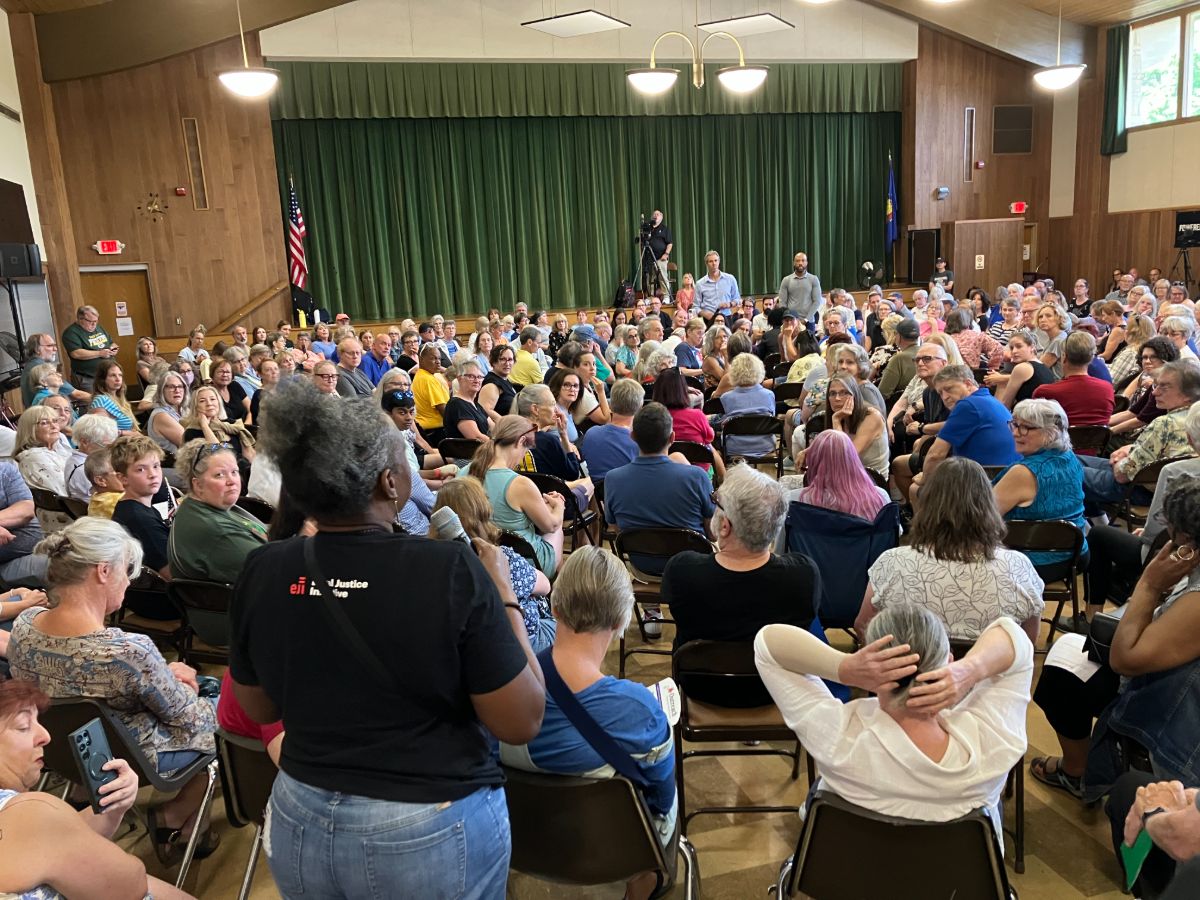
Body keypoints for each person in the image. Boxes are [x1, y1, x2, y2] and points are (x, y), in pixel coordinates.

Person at [224, 381, 543, 899]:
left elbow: (258, 706)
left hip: (300, 813)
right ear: (390, 482)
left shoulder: (264, 566)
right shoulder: (449, 569)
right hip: (424, 823)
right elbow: (521, 720)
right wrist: (503, 593)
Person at [8, 517, 219, 861]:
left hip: (62, 752)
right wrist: (194, 687)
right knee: (220, 709)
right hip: (132, 761)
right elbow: (193, 722)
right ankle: (174, 818)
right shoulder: (128, 653)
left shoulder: (24, 626)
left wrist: (161, 673)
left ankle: (81, 791)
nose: (128, 581)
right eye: (126, 570)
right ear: (103, 571)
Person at [757, 602, 1032, 844]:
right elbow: (1014, 636)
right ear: (948, 662)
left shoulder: (838, 738)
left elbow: (767, 643)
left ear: (869, 666)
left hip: (854, 882)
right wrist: (969, 670)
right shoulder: (991, 745)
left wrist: (844, 668)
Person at [499, 546, 672, 900]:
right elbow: (662, 797)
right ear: (621, 620)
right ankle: (644, 885)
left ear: (556, 606)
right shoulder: (638, 711)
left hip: (519, 841)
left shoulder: (504, 695)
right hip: (614, 849)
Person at [1031, 481, 1200, 802]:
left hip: (1180, 718)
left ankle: (1076, 772)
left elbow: (1125, 660)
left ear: (1188, 541)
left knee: (1057, 677)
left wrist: (1150, 585)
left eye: (1174, 533)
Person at [0, 680, 198, 899]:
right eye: (23, 727)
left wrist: (113, 807)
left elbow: (59, 843)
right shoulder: (34, 814)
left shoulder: (38, 824)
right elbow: (131, 885)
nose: (45, 736)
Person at [859, 457, 1043, 643]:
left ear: (927, 503)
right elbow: (1028, 641)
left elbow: (863, 626)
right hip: (987, 671)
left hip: (912, 669)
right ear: (988, 506)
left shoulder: (892, 562)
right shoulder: (1017, 566)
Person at [664, 461, 817, 665]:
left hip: (700, 681)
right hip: (773, 687)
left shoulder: (682, 571)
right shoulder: (804, 576)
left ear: (725, 526)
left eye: (715, 501)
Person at [431, 478, 555, 654]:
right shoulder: (500, 559)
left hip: (465, 649)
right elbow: (545, 586)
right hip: (522, 644)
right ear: (484, 514)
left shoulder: (434, 563)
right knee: (569, 634)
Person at [1081, 361, 1200, 515]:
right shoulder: (1194, 419)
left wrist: (1121, 460)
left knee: (1064, 469)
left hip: (1141, 492)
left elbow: (1121, 475)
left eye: (1164, 387)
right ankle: (1096, 522)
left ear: (1187, 395)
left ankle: (1082, 528)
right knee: (1073, 460)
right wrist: (1130, 450)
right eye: (1156, 385)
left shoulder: (1165, 423)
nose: (1155, 392)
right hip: (1171, 492)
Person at [604, 402, 716, 566]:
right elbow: (713, 533)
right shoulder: (697, 477)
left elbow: (615, 528)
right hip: (691, 565)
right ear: (672, 438)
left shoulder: (612, 479)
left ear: (632, 436)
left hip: (641, 564)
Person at [470, 415, 566, 577]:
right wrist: (559, 507)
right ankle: (554, 591)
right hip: (523, 563)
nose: (523, 458)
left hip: (479, 556)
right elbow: (551, 525)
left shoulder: (464, 473)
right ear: (521, 441)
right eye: (526, 450)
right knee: (557, 531)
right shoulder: (519, 484)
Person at [168, 439, 267, 582]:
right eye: (219, 475)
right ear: (198, 485)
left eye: (234, 472)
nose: (232, 480)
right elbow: (276, 570)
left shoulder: (193, 506)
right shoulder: (217, 531)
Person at [911, 367, 1018, 497]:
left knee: (915, 489)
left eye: (949, 389)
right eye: (940, 393)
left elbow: (936, 454)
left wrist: (925, 481)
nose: (944, 397)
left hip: (983, 482)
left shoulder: (968, 405)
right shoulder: (988, 400)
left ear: (968, 384)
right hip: (1008, 477)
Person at [514, 384, 593, 509]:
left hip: (521, 503)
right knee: (591, 481)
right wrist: (564, 436)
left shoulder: (510, 437)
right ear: (535, 409)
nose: (556, 410)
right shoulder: (547, 441)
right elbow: (573, 473)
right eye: (552, 404)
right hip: (552, 503)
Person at [799, 374, 888, 483]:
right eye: (832, 393)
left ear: (854, 395)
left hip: (871, 481)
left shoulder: (872, 417)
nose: (837, 398)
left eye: (844, 393)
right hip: (843, 477)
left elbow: (845, 458)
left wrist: (836, 421)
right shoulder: (838, 416)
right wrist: (809, 451)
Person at [110, 435, 172, 585]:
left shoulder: (132, 507)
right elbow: (172, 574)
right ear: (123, 478)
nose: (153, 474)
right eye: (141, 469)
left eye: (156, 466)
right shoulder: (140, 519)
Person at [794, 429, 890, 520]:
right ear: (854, 460)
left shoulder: (795, 501)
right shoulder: (880, 497)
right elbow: (893, 533)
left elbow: (784, 536)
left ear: (813, 461)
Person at [1031, 331, 1114, 427]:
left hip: (1060, 441)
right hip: (1099, 441)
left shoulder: (1044, 392)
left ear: (1064, 357)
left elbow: (1035, 426)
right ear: (1090, 358)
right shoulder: (1107, 389)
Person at [579, 378, 643, 484]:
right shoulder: (639, 443)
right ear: (640, 407)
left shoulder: (591, 434)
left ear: (611, 405)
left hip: (601, 496)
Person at [716, 352, 776, 459]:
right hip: (765, 445)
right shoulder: (769, 395)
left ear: (733, 373)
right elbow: (770, 419)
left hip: (735, 447)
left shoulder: (726, 398)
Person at [985, 330, 1057, 409]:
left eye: (1019, 346)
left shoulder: (1022, 368)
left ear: (1032, 347)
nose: (1014, 351)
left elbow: (1004, 406)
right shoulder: (1043, 367)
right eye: (1011, 348)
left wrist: (1001, 382)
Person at [13, 405, 72, 496]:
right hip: (68, 509)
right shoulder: (35, 457)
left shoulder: (57, 448)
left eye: (55, 421)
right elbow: (67, 492)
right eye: (44, 423)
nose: (54, 426)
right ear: (30, 430)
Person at [61, 305, 117, 393]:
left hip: (107, 375)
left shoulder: (99, 328)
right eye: (91, 321)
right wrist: (99, 353)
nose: (94, 324)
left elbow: (111, 342)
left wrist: (113, 348)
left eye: (96, 320)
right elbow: (76, 353)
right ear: (80, 319)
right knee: (92, 404)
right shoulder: (71, 333)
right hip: (88, 378)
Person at [443, 358, 491, 441]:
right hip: (469, 453)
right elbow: (476, 438)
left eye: (479, 377)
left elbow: (494, 428)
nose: (477, 380)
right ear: (459, 378)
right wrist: (500, 447)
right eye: (471, 376)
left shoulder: (476, 405)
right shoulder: (457, 404)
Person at [412, 344, 451, 445]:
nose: (438, 362)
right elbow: (443, 410)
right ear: (421, 360)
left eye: (439, 358)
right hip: (435, 432)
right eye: (433, 358)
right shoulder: (428, 379)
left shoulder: (423, 375)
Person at [144, 368, 188, 454]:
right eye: (171, 387)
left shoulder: (184, 409)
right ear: (162, 391)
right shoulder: (161, 415)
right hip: (173, 464)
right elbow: (189, 443)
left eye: (180, 386)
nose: (177, 390)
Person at [777, 250, 823, 330]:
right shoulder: (786, 280)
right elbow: (782, 302)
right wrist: (789, 318)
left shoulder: (813, 279)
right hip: (790, 321)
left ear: (807, 262)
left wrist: (806, 320)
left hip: (809, 322)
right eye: (797, 261)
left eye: (803, 260)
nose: (800, 263)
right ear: (794, 263)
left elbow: (817, 301)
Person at [88, 360, 138, 434]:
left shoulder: (120, 399)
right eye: (113, 375)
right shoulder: (101, 400)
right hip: (116, 444)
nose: (118, 379)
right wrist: (124, 433)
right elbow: (101, 432)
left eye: (120, 375)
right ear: (102, 379)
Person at [877, 317, 920, 399]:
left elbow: (882, 393)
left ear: (898, 336)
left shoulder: (899, 359)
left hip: (899, 407)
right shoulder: (927, 353)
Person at [694, 250, 740, 324]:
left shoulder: (730, 279)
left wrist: (730, 304)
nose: (714, 263)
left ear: (719, 262)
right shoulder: (700, 283)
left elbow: (737, 299)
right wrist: (705, 314)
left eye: (716, 260)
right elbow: (696, 307)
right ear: (706, 264)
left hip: (726, 317)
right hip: (708, 319)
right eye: (711, 261)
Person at [480, 343, 517, 420]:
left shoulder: (503, 379)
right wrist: (506, 424)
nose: (507, 363)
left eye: (510, 359)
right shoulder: (491, 385)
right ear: (493, 362)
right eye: (502, 359)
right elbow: (485, 410)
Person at [646, 209, 673, 301]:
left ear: (661, 217)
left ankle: (666, 296)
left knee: (662, 277)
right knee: (650, 279)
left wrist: (666, 254)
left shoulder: (665, 229)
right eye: (654, 214)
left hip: (661, 258)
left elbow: (669, 243)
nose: (655, 216)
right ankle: (651, 297)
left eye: (658, 214)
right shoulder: (648, 229)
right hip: (649, 258)